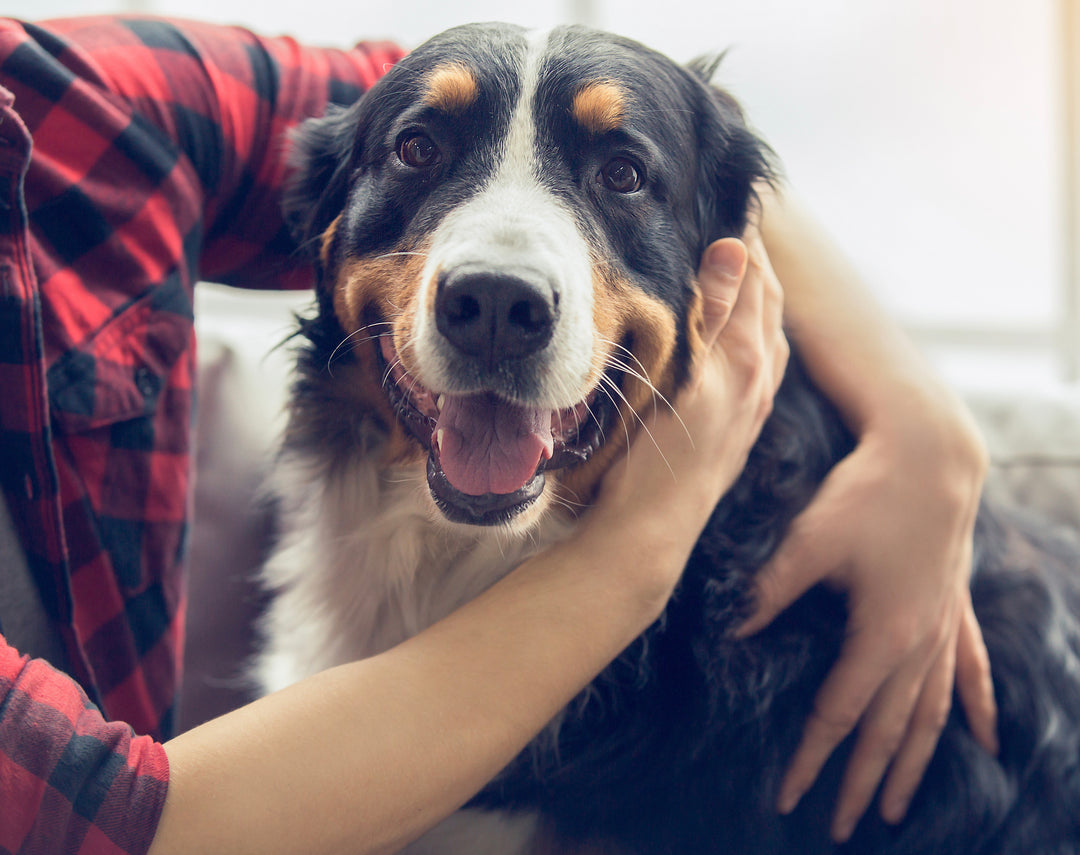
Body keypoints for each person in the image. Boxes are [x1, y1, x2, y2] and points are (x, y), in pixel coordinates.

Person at [0, 14, 994, 854]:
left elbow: (532, 89)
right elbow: (135, 824)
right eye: (423, 155)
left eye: (624, 171)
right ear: (326, 236)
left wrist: (925, 427)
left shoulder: (67, 96)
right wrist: (640, 546)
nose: (498, 279)